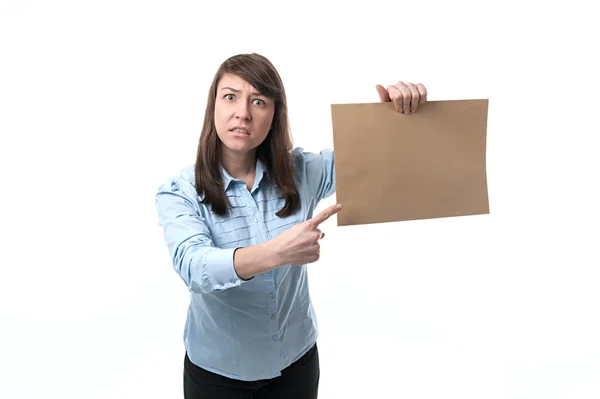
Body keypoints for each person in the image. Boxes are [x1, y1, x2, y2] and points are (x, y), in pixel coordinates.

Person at [155, 53, 428, 399]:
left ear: (275, 115)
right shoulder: (180, 191)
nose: (243, 112)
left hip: (296, 364)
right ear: (213, 107)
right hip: (217, 375)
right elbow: (194, 268)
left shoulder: (302, 171)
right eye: (230, 96)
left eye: (259, 101)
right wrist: (278, 252)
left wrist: (398, 114)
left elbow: (374, 156)